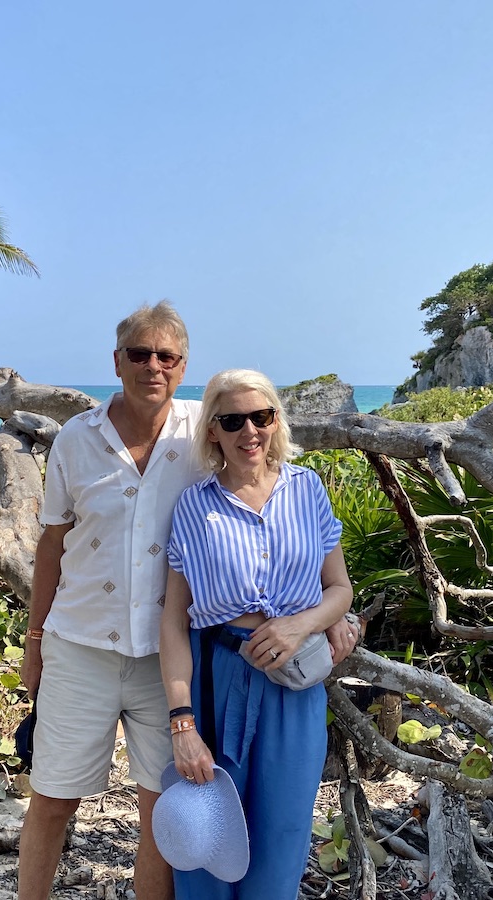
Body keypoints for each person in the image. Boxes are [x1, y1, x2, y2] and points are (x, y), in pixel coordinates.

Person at [16, 300, 206, 900]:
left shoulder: (205, 432)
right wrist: (35, 641)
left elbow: (268, 485)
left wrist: (327, 604)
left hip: (165, 658)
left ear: (182, 366)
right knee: (51, 799)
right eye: (140, 354)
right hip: (80, 647)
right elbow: (52, 545)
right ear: (117, 361)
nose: (154, 365)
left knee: (162, 811)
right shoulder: (77, 437)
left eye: (166, 356)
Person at [159, 368, 356, 900]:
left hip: (294, 684)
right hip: (216, 680)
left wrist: (303, 622)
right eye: (232, 419)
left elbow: (339, 588)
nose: (250, 431)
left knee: (284, 830)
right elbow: (174, 622)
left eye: (261, 416)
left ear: (275, 421)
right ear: (213, 432)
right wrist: (182, 721)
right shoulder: (193, 506)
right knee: (206, 823)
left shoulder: (308, 488)